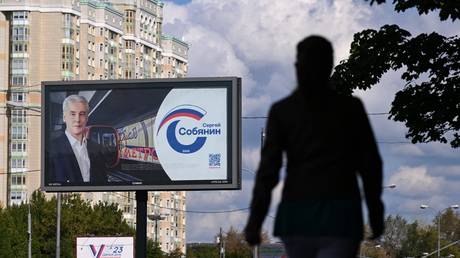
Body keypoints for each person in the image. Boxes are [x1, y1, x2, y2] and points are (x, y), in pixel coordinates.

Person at [244, 35, 384, 258]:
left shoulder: (283, 111)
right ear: (329, 66)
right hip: (342, 216)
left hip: (299, 215)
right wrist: (376, 213)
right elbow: (370, 165)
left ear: (298, 67)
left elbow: (268, 172)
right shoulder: (350, 108)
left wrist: (254, 222)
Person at [48, 94, 108, 184]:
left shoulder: (97, 149)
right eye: (73, 114)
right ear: (64, 117)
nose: (77, 119)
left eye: (82, 114)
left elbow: (103, 180)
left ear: (87, 118)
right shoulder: (52, 148)